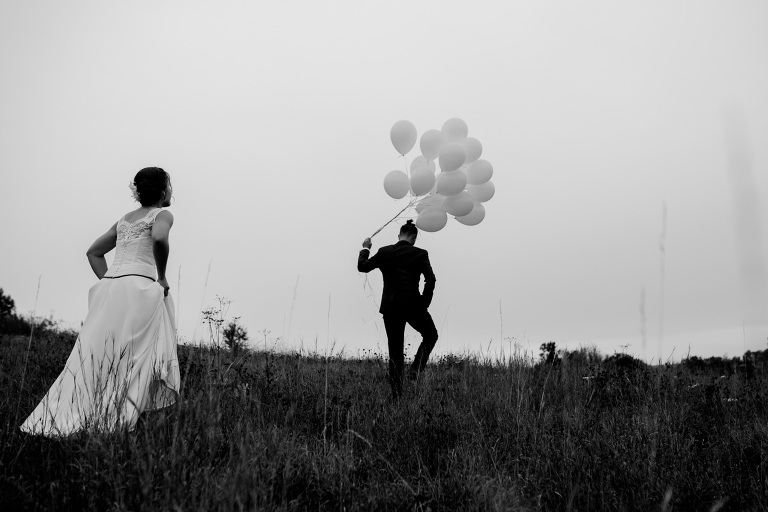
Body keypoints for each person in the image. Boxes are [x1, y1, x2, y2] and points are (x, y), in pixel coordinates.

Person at [20, 167, 180, 436]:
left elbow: (93, 252)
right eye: (171, 186)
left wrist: (112, 279)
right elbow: (160, 237)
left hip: (110, 291)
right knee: (136, 355)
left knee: (96, 355)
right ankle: (116, 418)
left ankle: (72, 412)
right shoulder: (163, 215)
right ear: (163, 190)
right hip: (139, 290)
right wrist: (161, 277)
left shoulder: (124, 220)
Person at [358, 220, 438, 398]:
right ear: (414, 238)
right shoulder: (420, 253)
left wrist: (366, 248)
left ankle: (396, 396)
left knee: (395, 352)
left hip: (391, 307)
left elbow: (362, 267)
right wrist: (424, 303)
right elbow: (431, 280)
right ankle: (415, 370)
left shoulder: (385, 251)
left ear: (399, 235)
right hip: (413, 305)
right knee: (431, 335)